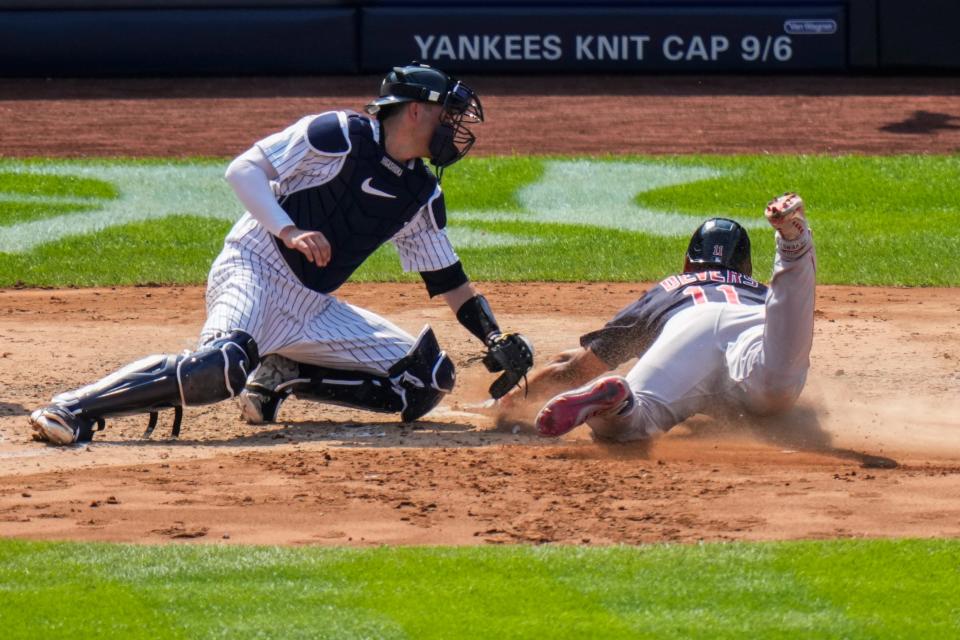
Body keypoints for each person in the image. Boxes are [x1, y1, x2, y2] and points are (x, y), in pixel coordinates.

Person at [29, 62, 533, 445]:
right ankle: (76, 407)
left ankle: (283, 376)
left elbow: (446, 277)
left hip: (310, 305)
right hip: (254, 267)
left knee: (424, 381)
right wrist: (288, 230)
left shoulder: (420, 193)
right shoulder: (337, 134)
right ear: (417, 109)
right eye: (449, 115)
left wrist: (496, 335)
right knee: (220, 367)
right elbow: (243, 170)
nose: (456, 129)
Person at [499, 193, 814, 444]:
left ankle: (618, 401)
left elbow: (578, 366)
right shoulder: (757, 291)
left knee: (634, 421)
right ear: (744, 268)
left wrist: (510, 400)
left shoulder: (667, 290)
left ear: (687, 263)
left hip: (688, 327)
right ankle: (794, 247)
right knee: (777, 384)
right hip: (754, 322)